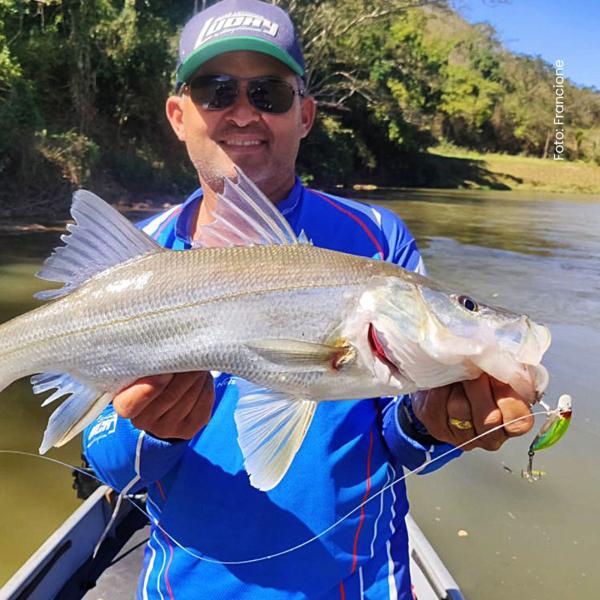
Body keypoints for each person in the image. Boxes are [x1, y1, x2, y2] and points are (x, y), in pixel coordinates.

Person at [83, 1, 534, 598]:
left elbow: (403, 439)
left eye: (268, 93)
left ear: (305, 114)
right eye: (216, 91)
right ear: (178, 113)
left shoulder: (378, 240)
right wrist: (154, 433)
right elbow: (110, 465)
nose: (243, 113)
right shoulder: (138, 255)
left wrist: (439, 423)